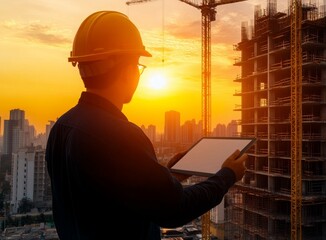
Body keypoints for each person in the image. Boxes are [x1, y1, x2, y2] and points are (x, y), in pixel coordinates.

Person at [45, 11, 247, 240]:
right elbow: (175, 210)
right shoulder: (121, 135)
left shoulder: (61, 129)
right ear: (126, 69)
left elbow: (111, 190)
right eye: (137, 65)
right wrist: (227, 176)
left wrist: (169, 175)